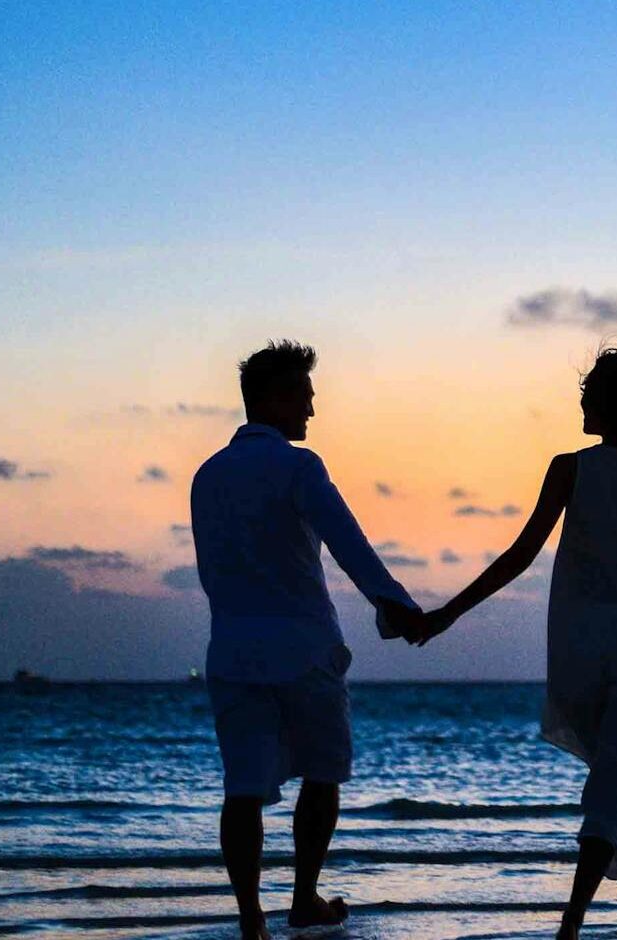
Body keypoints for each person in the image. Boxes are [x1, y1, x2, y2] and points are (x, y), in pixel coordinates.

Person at [411, 348, 617, 939]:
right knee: (614, 785)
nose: (579, 400)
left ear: (611, 404)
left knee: (614, 779)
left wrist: (448, 613)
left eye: (588, 391)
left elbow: (519, 556)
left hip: (579, 654)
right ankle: (569, 928)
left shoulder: (569, 468)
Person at [189, 339, 426, 940]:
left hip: (233, 650)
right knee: (323, 774)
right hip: (304, 648)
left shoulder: (206, 476)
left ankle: (251, 921)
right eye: (305, 397)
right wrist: (395, 605)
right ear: (275, 397)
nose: (312, 413)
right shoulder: (300, 466)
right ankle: (302, 897)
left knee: (243, 789)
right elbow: (347, 541)